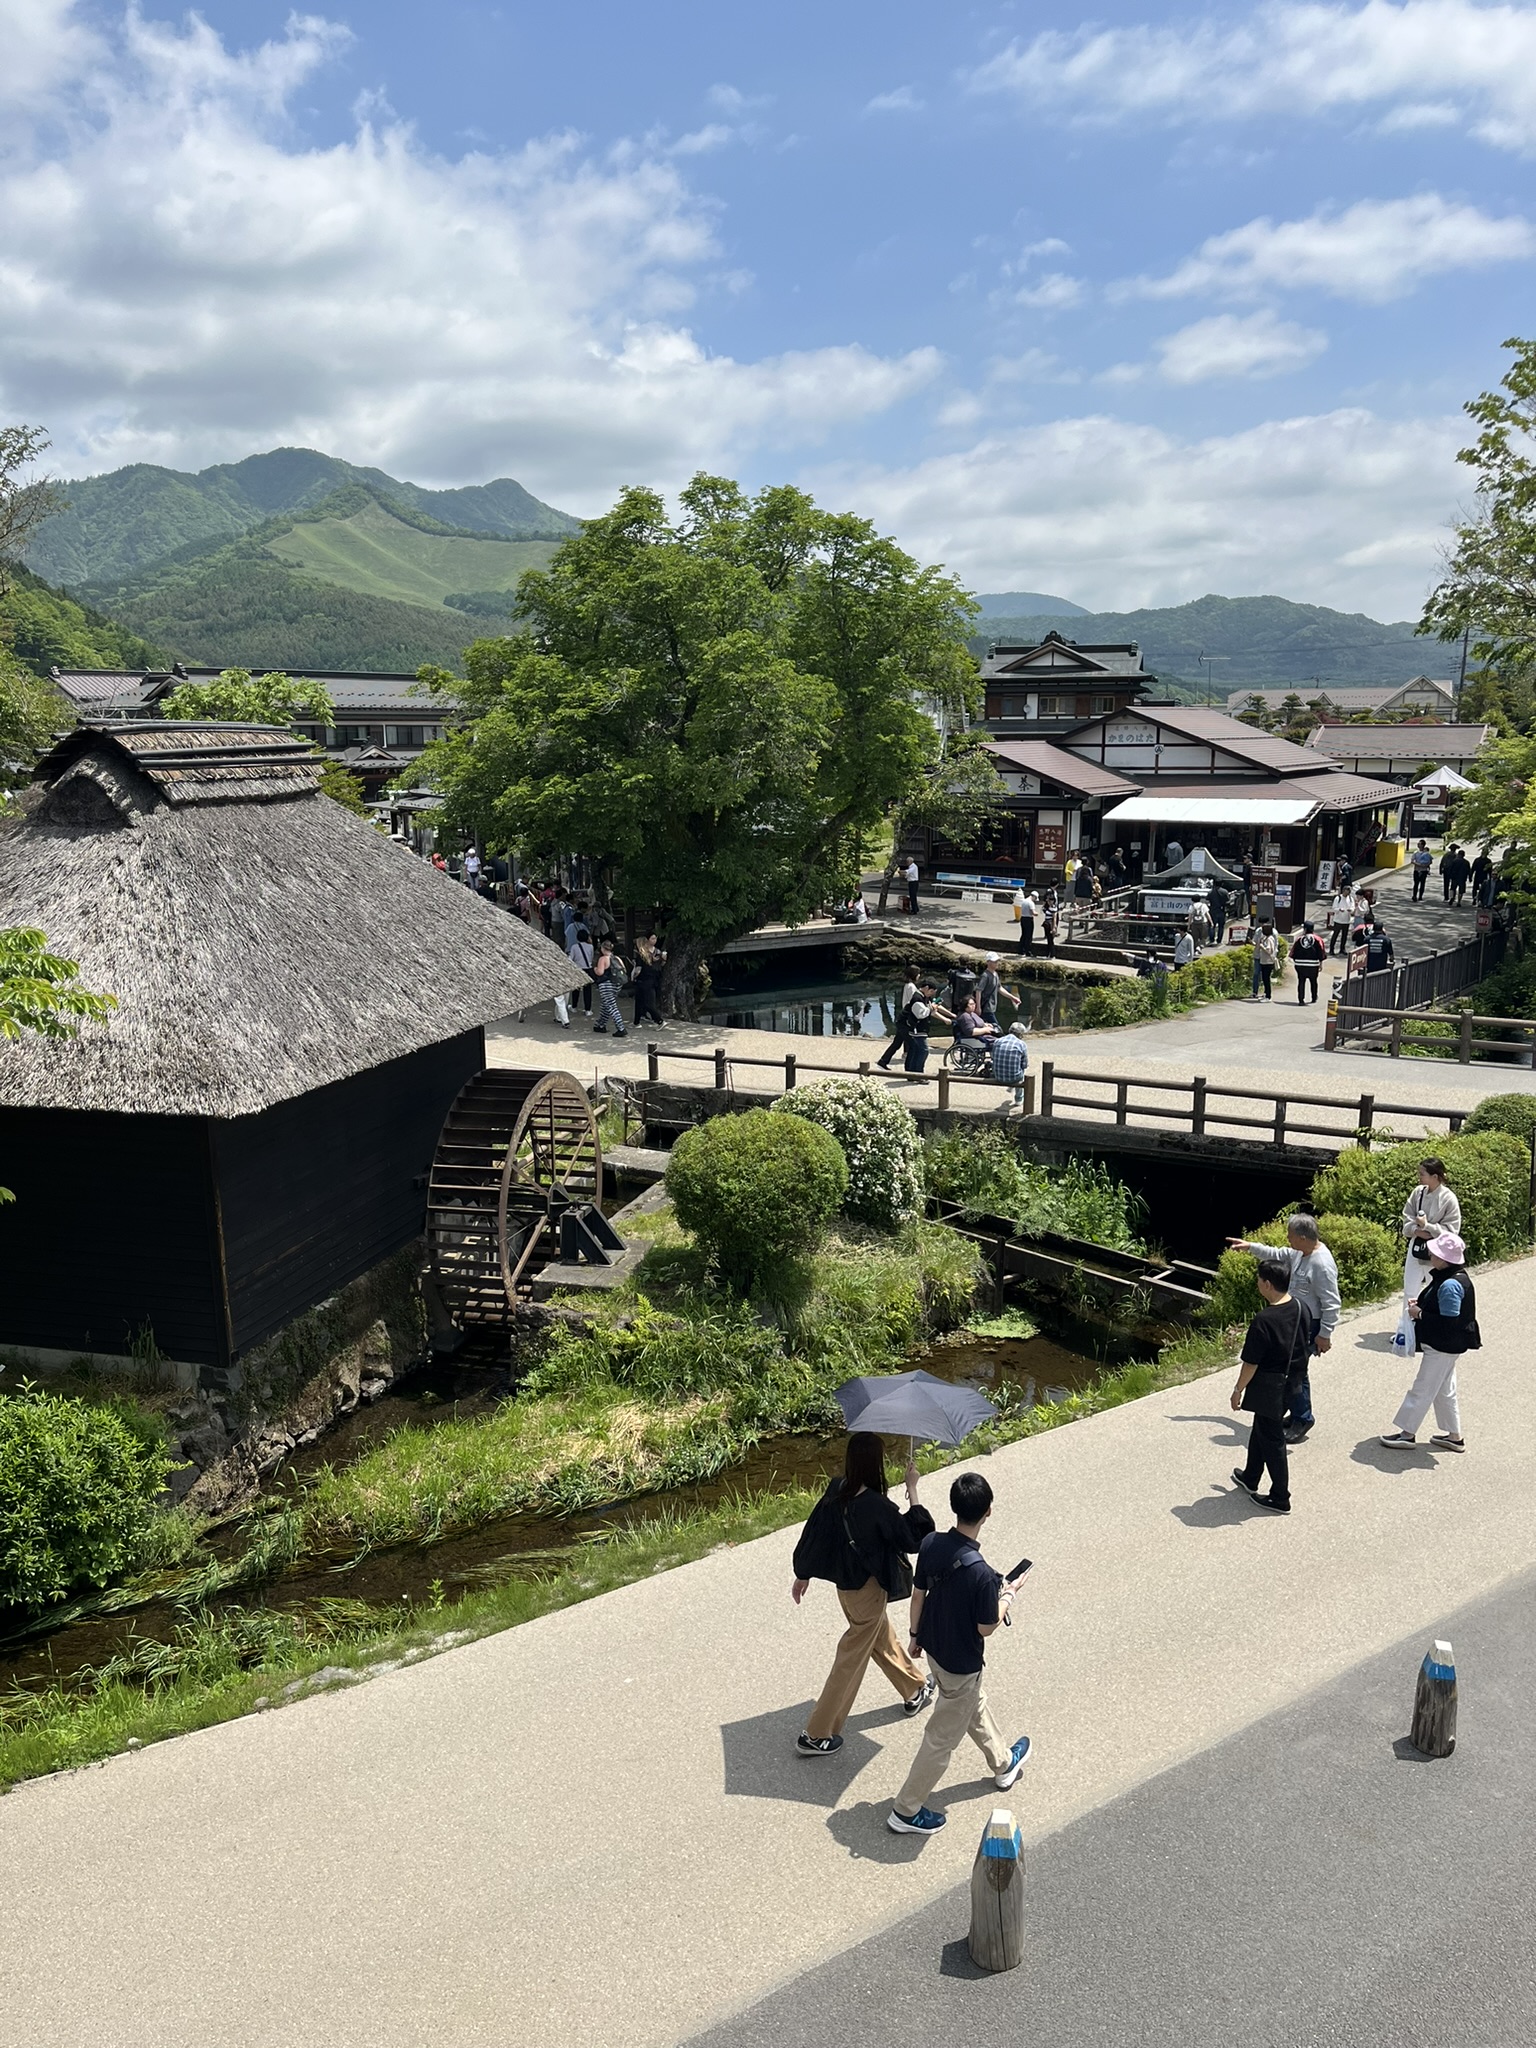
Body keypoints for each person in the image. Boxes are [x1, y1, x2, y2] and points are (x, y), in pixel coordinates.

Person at [887, 1470, 1031, 1835]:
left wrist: (915, 1635)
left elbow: (918, 1594)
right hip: (961, 1663)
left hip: (933, 1646)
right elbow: (986, 1626)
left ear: (954, 1506)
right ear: (989, 1512)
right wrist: (1009, 1594)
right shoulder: (982, 1575)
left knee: (971, 1704)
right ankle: (905, 1810)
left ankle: (1002, 1764)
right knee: (940, 1739)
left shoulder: (933, 1543)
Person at [791, 1433, 936, 1754]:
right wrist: (912, 1488)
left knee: (879, 1637)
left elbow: (814, 1532)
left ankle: (914, 1689)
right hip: (868, 1593)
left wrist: (802, 1574)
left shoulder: (836, 1490)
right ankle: (816, 1734)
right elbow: (914, 1540)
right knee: (850, 1659)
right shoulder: (877, 1506)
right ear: (875, 1464)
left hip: (846, 1591)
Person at [1227, 1216, 1340, 1445]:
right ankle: (1296, 1412)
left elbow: (1332, 1302)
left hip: (1309, 1325)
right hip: (1295, 1321)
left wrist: (1325, 1334)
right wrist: (1251, 1247)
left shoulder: (1321, 1264)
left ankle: (1302, 1418)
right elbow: (1278, 1254)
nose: (1287, 1239)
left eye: (1290, 1235)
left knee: (1295, 1373)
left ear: (1302, 1237)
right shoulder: (1300, 1253)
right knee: (1293, 1371)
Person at [1379, 1233, 1478, 1452]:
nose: (1430, 1254)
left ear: (1444, 1259)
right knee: (1444, 1389)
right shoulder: (1452, 1277)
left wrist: (1419, 1313)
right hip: (1449, 1346)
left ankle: (1407, 1434)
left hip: (1443, 1346)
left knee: (1422, 1388)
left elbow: (1448, 1322)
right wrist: (1422, 1305)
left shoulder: (1450, 1284)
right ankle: (1454, 1436)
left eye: (1435, 1252)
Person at [1228, 1258, 1311, 1515]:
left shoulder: (1264, 1319)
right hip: (1293, 1382)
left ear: (1266, 1284)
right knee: (1261, 1427)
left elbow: (1251, 1362)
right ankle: (1251, 1476)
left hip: (1270, 1387)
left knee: (1273, 1440)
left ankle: (1280, 1497)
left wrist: (1238, 1389)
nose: (1257, 1283)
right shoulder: (1300, 1307)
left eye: (1258, 1280)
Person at [1400, 1157, 1462, 1306]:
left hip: (1438, 1253)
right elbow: (1406, 1218)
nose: (1418, 1177)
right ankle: (1408, 1328)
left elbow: (1452, 1232)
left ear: (1434, 1176)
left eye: (1422, 1174)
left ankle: (1427, 1324)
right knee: (1410, 1290)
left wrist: (1428, 1227)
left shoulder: (1449, 1199)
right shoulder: (1418, 1193)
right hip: (1416, 1247)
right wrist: (1415, 1230)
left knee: (1432, 1290)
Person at [876, 963, 923, 1071]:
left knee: (897, 1042)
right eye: (918, 974)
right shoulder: (911, 987)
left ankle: (883, 1061)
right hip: (907, 1018)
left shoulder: (908, 985)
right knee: (912, 1044)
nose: (919, 976)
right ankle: (910, 1068)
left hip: (903, 1017)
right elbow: (913, 1002)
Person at [590, 936, 628, 1036]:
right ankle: (600, 1024)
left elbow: (600, 972)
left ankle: (621, 1028)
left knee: (611, 1006)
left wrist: (594, 969)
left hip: (606, 985)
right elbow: (624, 969)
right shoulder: (617, 958)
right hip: (617, 984)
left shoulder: (603, 959)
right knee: (606, 1005)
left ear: (603, 948)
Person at [901, 979, 939, 1076]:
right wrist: (930, 1009)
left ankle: (912, 1073)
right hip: (917, 1029)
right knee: (923, 1050)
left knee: (916, 1050)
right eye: (931, 992)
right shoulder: (917, 998)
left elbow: (927, 1012)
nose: (931, 994)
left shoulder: (923, 997)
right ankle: (917, 1073)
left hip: (921, 1029)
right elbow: (920, 1014)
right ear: (926, 988)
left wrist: (933, 1009)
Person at [990, 1020, 1030, 1111]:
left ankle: (1011, 1087)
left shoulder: (998, 1041)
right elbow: (1024, 1065)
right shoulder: (1021, 1044)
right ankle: (1019, 1098)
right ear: (1020, 1034)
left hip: (998, 1076)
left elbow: (993, 1057)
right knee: (1021, 1071)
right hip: (1014, 1077)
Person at [632, 933, 665, 1030]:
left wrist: (633, 976)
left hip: (644, 980)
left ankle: (659, 1020)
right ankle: (636, 1022)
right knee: (639, 1001)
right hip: (652, 979)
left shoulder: (641, 955)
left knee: (648, 1003)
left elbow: (638, 969)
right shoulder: (653, 954)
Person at [1289, 922, 1326, 1004]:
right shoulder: (1318, 939)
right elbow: (1321, 952)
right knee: (1313, 981)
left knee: (1301, 981)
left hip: (1300, 964)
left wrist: (1296, 962)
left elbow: (1292, 952)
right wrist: (1320, 964)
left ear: (1305, 929)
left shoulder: (1299, 939)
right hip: (1313, 964)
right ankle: (1314, 997)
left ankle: (1301, 1000)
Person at [566, 921, 595, 1015]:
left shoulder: (574, 947)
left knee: (576, 989)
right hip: (588, 968)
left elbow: (570, 959)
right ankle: (588, 1009)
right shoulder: (591, 947)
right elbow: (591, 957)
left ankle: (574, 1006)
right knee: (588, 991)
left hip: (578, 969)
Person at [1251, 919, 1280, 1000]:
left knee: (1266, 978)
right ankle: (1258, 992)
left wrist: (1262, 946)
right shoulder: (1260, 933)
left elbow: (1270, 949)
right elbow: (1255, 941)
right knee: (1260, 976)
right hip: (1261, 958)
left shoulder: (1271, 936)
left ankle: (1267, 995)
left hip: (1267, 960)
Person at [1327, 883, 1356, 956]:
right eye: (1347, 890)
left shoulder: (1350, 898)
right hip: (1338, 920)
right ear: (1343, 891)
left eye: (1349, 891)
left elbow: (1353, 907)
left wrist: (1351, 910)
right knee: (1335, 935)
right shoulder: (1338, 898)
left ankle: (1342, 949)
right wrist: (1339, 909)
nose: (1348, 892)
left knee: (1344, 935)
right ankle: (1331, 949)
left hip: (1346, 919)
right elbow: (1334, 908)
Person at [977, 953, 1003, 1025]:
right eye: (994, 962)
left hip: (992, 1007)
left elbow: (999, 988)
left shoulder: (995, 974)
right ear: (988, 962)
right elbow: (978, 991)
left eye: (997, 961)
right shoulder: (985, 976)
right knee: (996, 1027)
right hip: (986, 1007)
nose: (997, 963)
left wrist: (1012, 998)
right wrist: (978, 1007)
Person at [1012, 883, 1034, 955]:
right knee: (1028, 936)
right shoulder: (1031, 903)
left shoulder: (1024, 901)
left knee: (1023, 935)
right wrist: (1036, 913)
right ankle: (1028, 951)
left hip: (1023, 918)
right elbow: (1032, 912)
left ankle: (1020, 950)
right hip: (1029, 919)